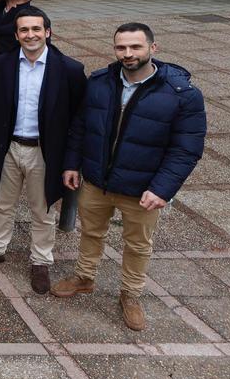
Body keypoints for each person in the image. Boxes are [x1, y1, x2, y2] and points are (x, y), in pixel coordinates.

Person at [52, 23, 206, 331]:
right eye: (121, 47)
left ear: (153, 48)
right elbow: (81, 126)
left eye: (135, 47)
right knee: (91, 232)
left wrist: (162, 189)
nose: (127, 53)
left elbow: (186, 149)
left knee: (138, 244)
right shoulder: (99, 82)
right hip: (97, 180)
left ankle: (130, 294)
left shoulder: (182, 94)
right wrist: (72, 164)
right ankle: (84, 277)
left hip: (142, 189)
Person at [0, 8, 87, 296]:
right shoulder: (2, 65)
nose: (30, 35)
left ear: (47, 32)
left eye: (36, 29)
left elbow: (78, 119)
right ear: (17, 34)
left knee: (42, 209)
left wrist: (72, 160)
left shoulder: (70, 69)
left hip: (44, 152)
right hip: (9, 147)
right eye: (24, 30)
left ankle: (41, 260)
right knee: (3, 203)